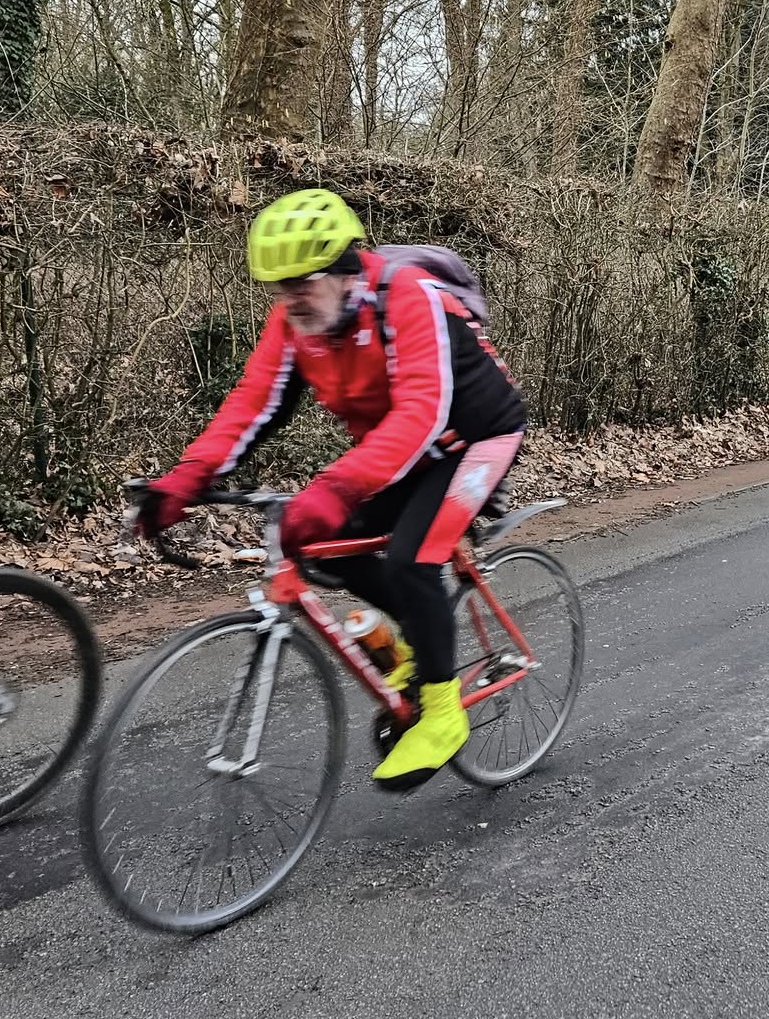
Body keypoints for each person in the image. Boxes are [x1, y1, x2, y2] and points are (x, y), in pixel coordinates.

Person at [136, 189, 526, 791]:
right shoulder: (295, 324)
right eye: (279, 286)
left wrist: (336, 488)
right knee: (317, 547)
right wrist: (187, 478)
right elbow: (253, 404)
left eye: (303, 282)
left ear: (345, 271)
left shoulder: (409, 299)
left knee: (413, 558)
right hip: (402, 451)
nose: (290, 297)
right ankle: (418, 642)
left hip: (475, 440)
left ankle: (443, 713)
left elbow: (421, 413)